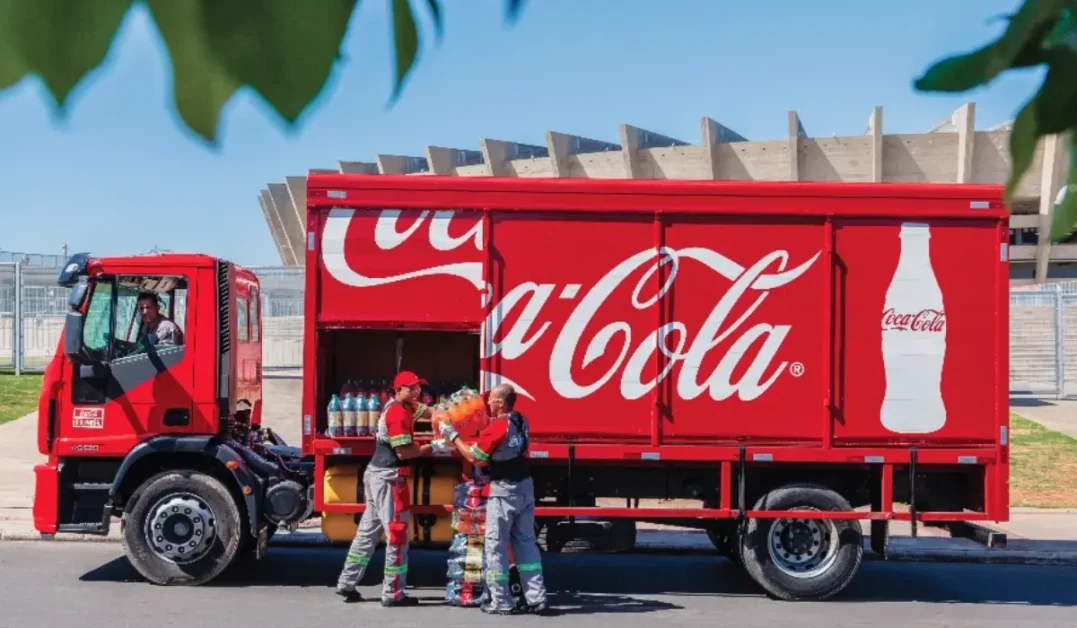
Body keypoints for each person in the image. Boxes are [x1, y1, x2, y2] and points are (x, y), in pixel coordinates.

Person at [440, 383, 550, 616]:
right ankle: (536, 598)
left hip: (504, 491)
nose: (487, 403)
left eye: (490, 400)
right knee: (526, 544)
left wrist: (453, 436)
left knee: (495, 546)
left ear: (500, 403)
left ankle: (501, 602)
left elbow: (476, 458)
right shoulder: (521, 420)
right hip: (525, 487)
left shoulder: (497, 427)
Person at [336, 370, 443, 606]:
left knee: (367, 533)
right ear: (398, 390)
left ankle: (346, 583)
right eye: (411, 388)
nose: (417, 392)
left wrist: (448, 413)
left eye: (418, 387)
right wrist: (434, 446)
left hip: (377, 476)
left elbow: (430, 411)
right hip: (388, 479)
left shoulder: (404, 407)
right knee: (397, 534)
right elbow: (405, 452)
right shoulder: (397, 413)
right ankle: (393, 594)